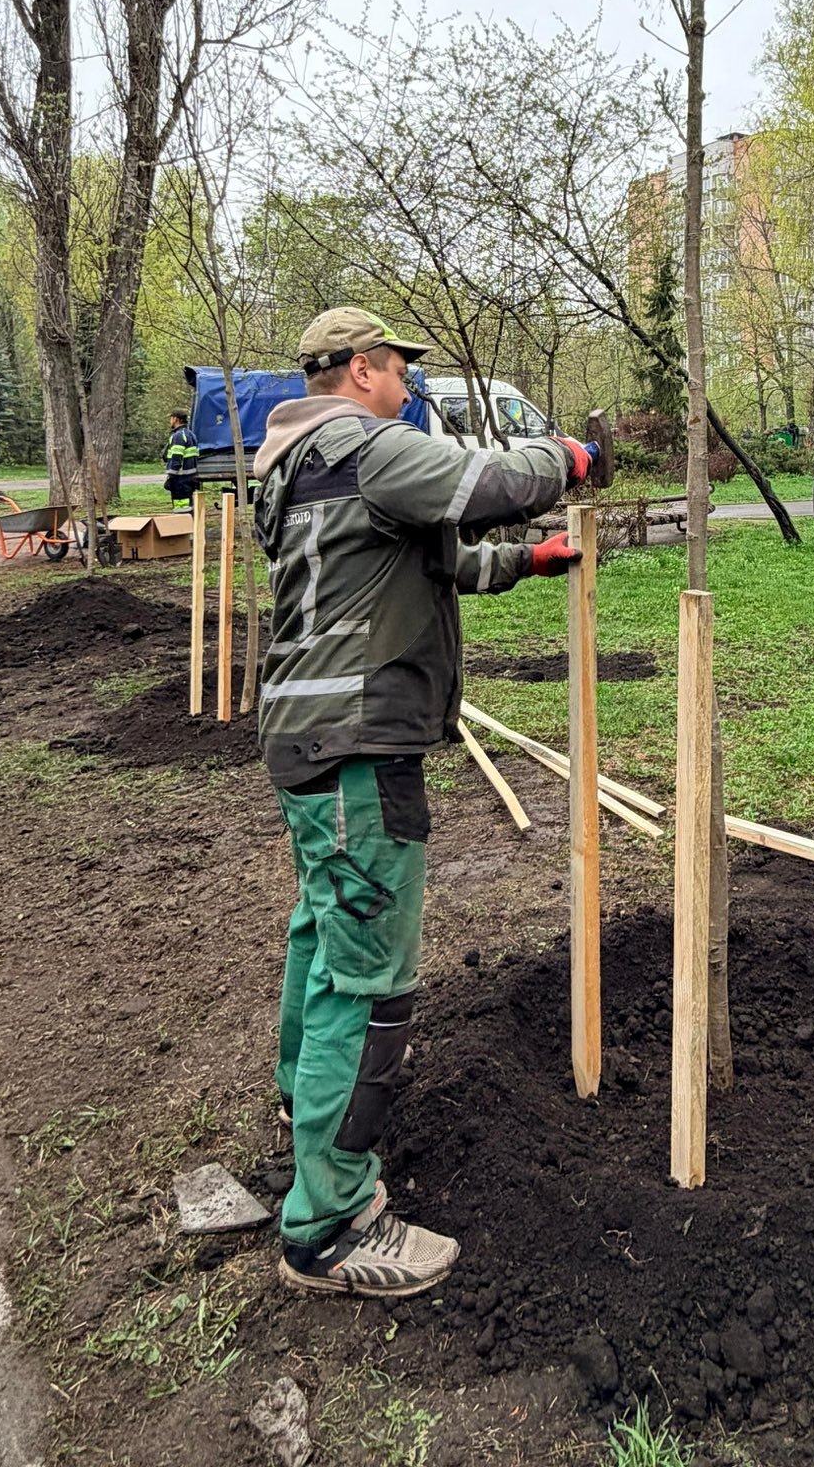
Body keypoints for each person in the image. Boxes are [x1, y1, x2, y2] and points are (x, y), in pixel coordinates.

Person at [252, 307, 593, 1301]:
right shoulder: (362, 443)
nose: (410, 386)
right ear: (362, 368)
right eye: (401, 368)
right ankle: (329, 1222)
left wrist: (525, 562)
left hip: (311, 734)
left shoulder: (298, 457)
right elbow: (482, 484)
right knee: (369, 979)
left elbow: (419, 561)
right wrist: (568, 455)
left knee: (323, 935)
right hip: (359, 743)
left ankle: (304, 1111)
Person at [163, 409, 199, 508]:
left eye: (171, 418)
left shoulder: (178, 436)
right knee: (188, 504)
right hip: (190, 477)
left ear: (176, 419)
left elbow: (176, 458)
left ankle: (182, 522)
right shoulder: (190, 434)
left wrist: (171, 475)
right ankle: (189, 520)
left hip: (180, 478)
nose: (170, 421)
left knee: (181, 505)